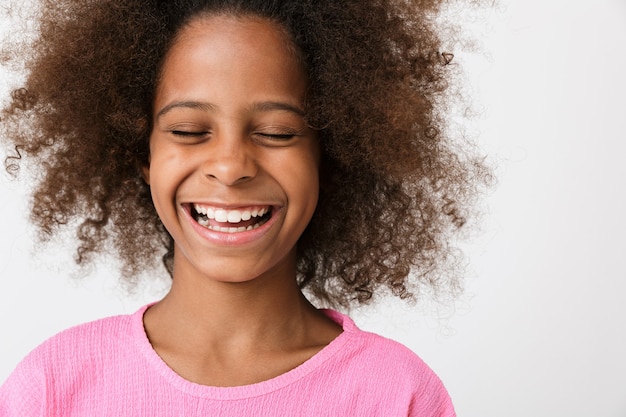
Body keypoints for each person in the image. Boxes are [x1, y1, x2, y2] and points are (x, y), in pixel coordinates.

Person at [0, 0, 487, 415]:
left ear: (330, 156)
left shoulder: (396, 394)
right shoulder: (54, 385)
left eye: (276, 133)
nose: (231, 167)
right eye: (189, 131)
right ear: (141, 154)